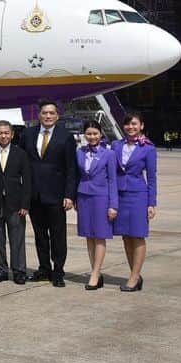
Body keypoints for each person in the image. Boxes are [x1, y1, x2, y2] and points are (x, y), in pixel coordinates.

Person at [20, 99, 77, 287]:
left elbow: (71, 168)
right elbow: (21, 164)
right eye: (44, 113)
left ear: (57, 116)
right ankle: (44, 268)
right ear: (39, 115)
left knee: (58, 235)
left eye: (51, 113)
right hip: (34, 195)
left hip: (56, 195)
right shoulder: (28, 134)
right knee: (40, 235)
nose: (48, 116)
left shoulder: (65, 136)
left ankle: (58, 270)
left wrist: (69, 195)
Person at [0, 120, 33, 284]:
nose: (3, 136)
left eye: (6, 133)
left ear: (12, 134)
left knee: (17, 239)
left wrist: (25, 204)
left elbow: (28, 181)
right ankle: (2, 270)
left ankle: (19, 271)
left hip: (16, 205)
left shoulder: (21, 154)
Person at [111, 113, 157, 292]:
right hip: (120, 195)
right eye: (128, 124)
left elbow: (152, 178)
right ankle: (135, 274)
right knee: (125, 235)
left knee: (137, 235)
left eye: (134, 124)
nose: (131, 127)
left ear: (141, 126)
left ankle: (133, 277)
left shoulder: (148, 148)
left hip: (138, 195)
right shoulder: (116, 145)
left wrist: (151, 203)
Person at [76, 121, 118, 290]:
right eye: (89, 134)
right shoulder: (79, 152)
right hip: (84, 197)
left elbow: (113, 180)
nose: (92, 137)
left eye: (95, 133)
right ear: (84, 135)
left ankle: (95, 273)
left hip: (101, 198)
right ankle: (96, 271)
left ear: (101, 135)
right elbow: (76, 175)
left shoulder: (109, 154)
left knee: (99, 235)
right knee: (88, 235)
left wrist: (113, 205)